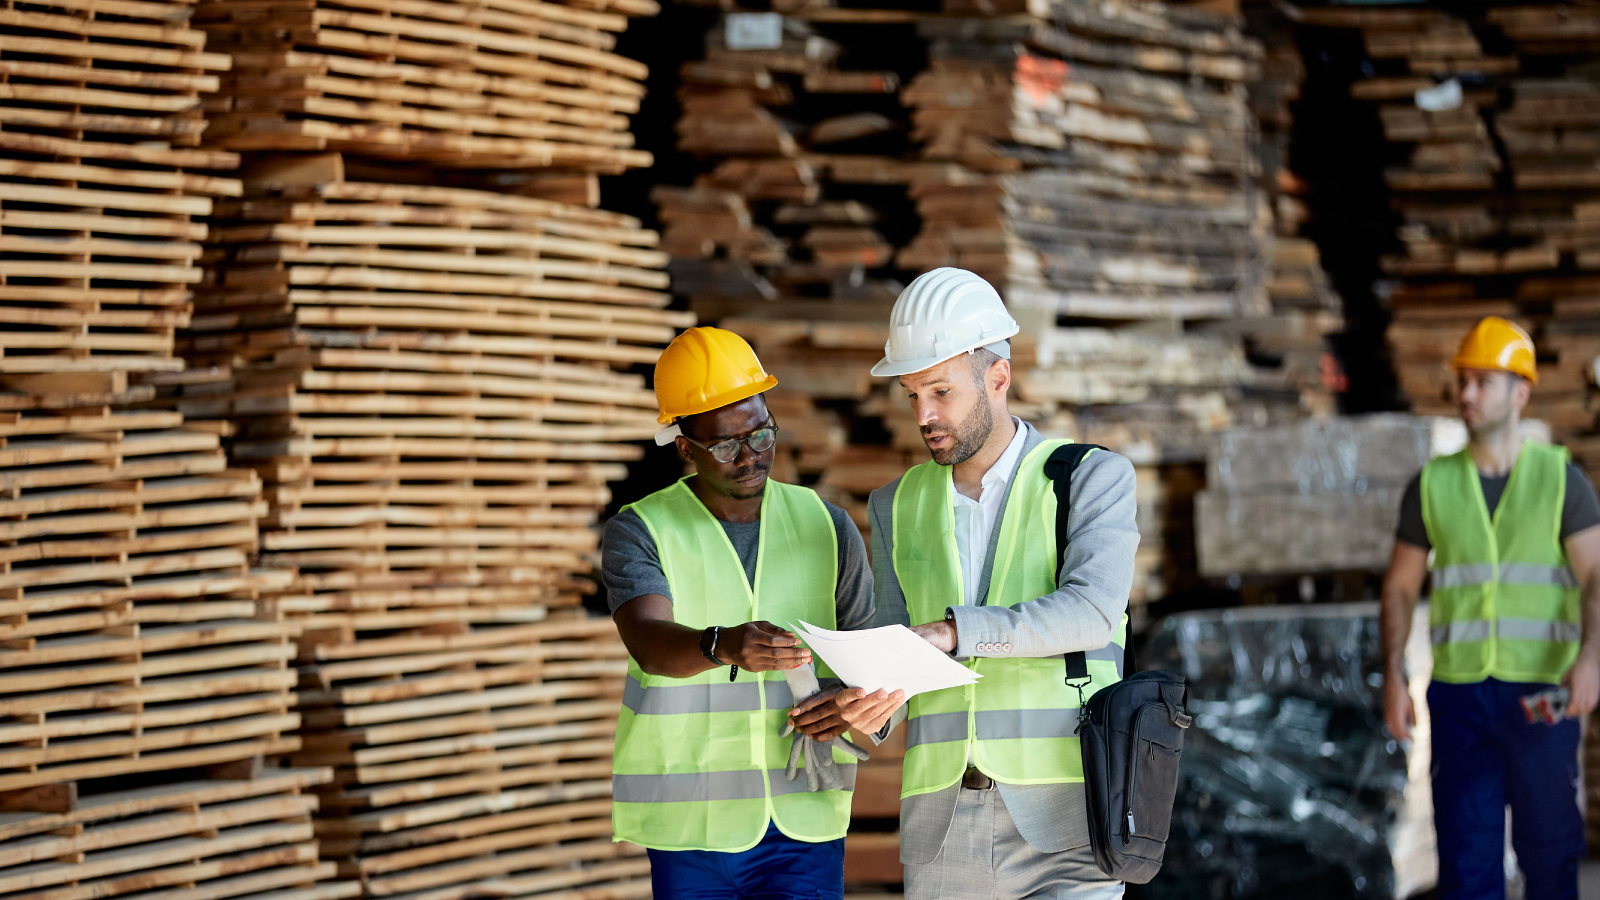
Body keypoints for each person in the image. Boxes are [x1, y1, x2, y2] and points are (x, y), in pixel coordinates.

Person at [834, 268, 1139, 899]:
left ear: (997, 378)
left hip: (1072, 821)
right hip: (943, 830)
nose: (924, 415)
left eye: (941, 391)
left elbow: (1091, 613)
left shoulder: (1090, 479)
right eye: (913, 394)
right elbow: (896, 643)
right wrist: (873, 704)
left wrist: (954, 633)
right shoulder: (896, 503)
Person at [602, 326, 874, 900]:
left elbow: (871, 660)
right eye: (726, 445)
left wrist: (855, 708)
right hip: (691, 829)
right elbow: (648, 641)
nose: (750, 457)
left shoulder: (829, 526)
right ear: (684, 447)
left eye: (762, 433)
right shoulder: (641, 529)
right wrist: (721, 644)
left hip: (804, 820)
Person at [1380, 316, 1600, 900]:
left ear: (1520, 393)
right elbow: (1400, 586)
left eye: (1483, 381)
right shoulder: (1430, 485)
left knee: (1550, 855)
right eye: (1463, 380)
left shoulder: (1561, 482)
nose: (1466, 394)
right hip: (1459, 699)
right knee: (1466, 861)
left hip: (1541, 697)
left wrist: (1592, 659)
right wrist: (1395, 675)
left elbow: (1597, 574)